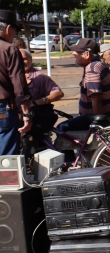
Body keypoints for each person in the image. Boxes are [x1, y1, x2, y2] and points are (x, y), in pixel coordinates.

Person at [57, 38, 110, 132]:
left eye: (77, 51)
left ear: (86, 54)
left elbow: (96, 100)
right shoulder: (98, 64)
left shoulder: (92, 70)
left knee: (61, 128)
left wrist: (99, 125)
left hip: (101, 119)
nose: (73, 53)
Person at [0, 10, 32, 155]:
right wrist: (26, 114)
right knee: (5, 157)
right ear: (7, 28)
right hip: (3, 108)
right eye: (14, 30)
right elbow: (19, 86)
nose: (14, 35)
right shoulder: (9, 50)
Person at [20, 49, 63, 141]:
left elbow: (58, 93)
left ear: (31, 59)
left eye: (24, 59)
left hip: (34, 120)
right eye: (19, 59)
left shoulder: (40, 77)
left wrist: (36, 103)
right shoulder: (10, 76)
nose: (22, 62)